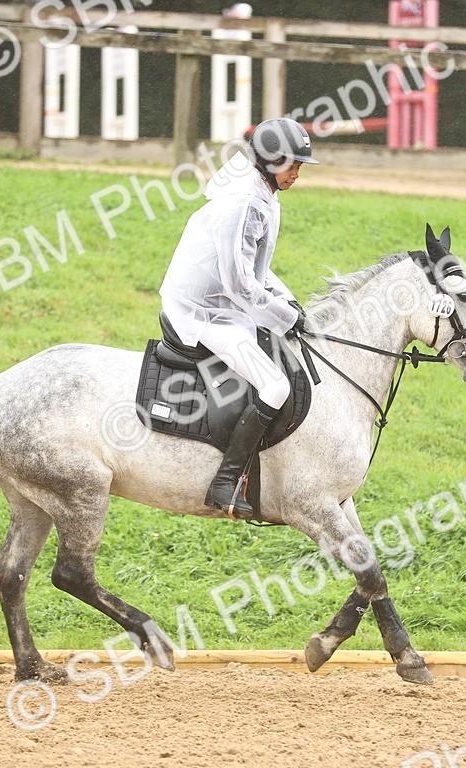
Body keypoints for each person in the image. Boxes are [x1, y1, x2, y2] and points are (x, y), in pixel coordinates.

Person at [159, 117, 319, 520]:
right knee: (276, 386)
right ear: (268, 161)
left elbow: (258, 271)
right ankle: (225, 483)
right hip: (201, 313)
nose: (297, 173)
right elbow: (240, 285)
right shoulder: (245, 203)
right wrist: (285, 316)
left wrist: (289, 302)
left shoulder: (263, 193)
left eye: (299, 165)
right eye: (292, 165)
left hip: (222, 303)